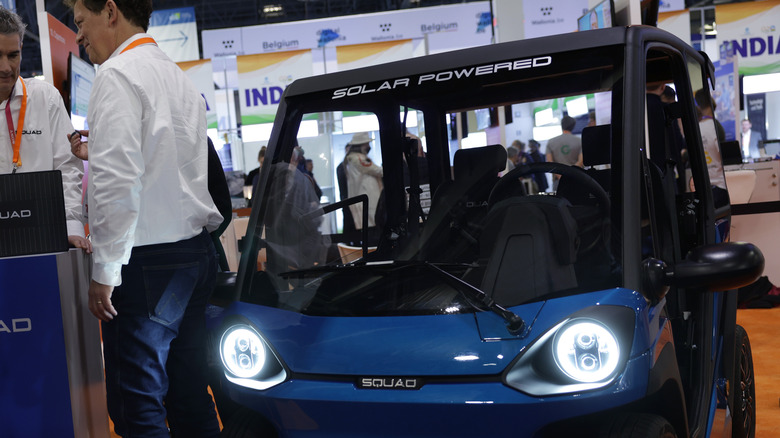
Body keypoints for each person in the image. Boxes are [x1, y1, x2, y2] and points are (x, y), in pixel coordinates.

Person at [65, 0, 224, 436]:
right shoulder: (176, 76)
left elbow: (117, 185)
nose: (78, 36)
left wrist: (105, 272)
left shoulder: (116, 74)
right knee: (190, 394)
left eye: (81, 22)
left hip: (148, 264)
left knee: (138, 403)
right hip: (195, 255)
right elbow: (163, 164)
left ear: (110, 11)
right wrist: (97, 151)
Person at [0, 7, 90, 252]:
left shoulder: (44, 97)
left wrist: (71, 226)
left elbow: (68, 167)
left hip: (43, 234)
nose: (6, 67)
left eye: (13, 55)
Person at [344, 132, 383, 229]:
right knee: (371, 224)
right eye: (367, 144)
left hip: (365, 197)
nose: (368, 146)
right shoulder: (358, 159)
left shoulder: (353, 158)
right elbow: (376, 170)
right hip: (367, 197)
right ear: (361, 145)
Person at [546, 115, 582, 189]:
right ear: (573, 126)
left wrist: (560, 175)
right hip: (576, 179)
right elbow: (581, 161)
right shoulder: (579, 141)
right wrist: (571, 174)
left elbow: (550, 162)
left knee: (558, 200)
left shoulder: (551, 142)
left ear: (561, 125)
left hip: (558, 180)